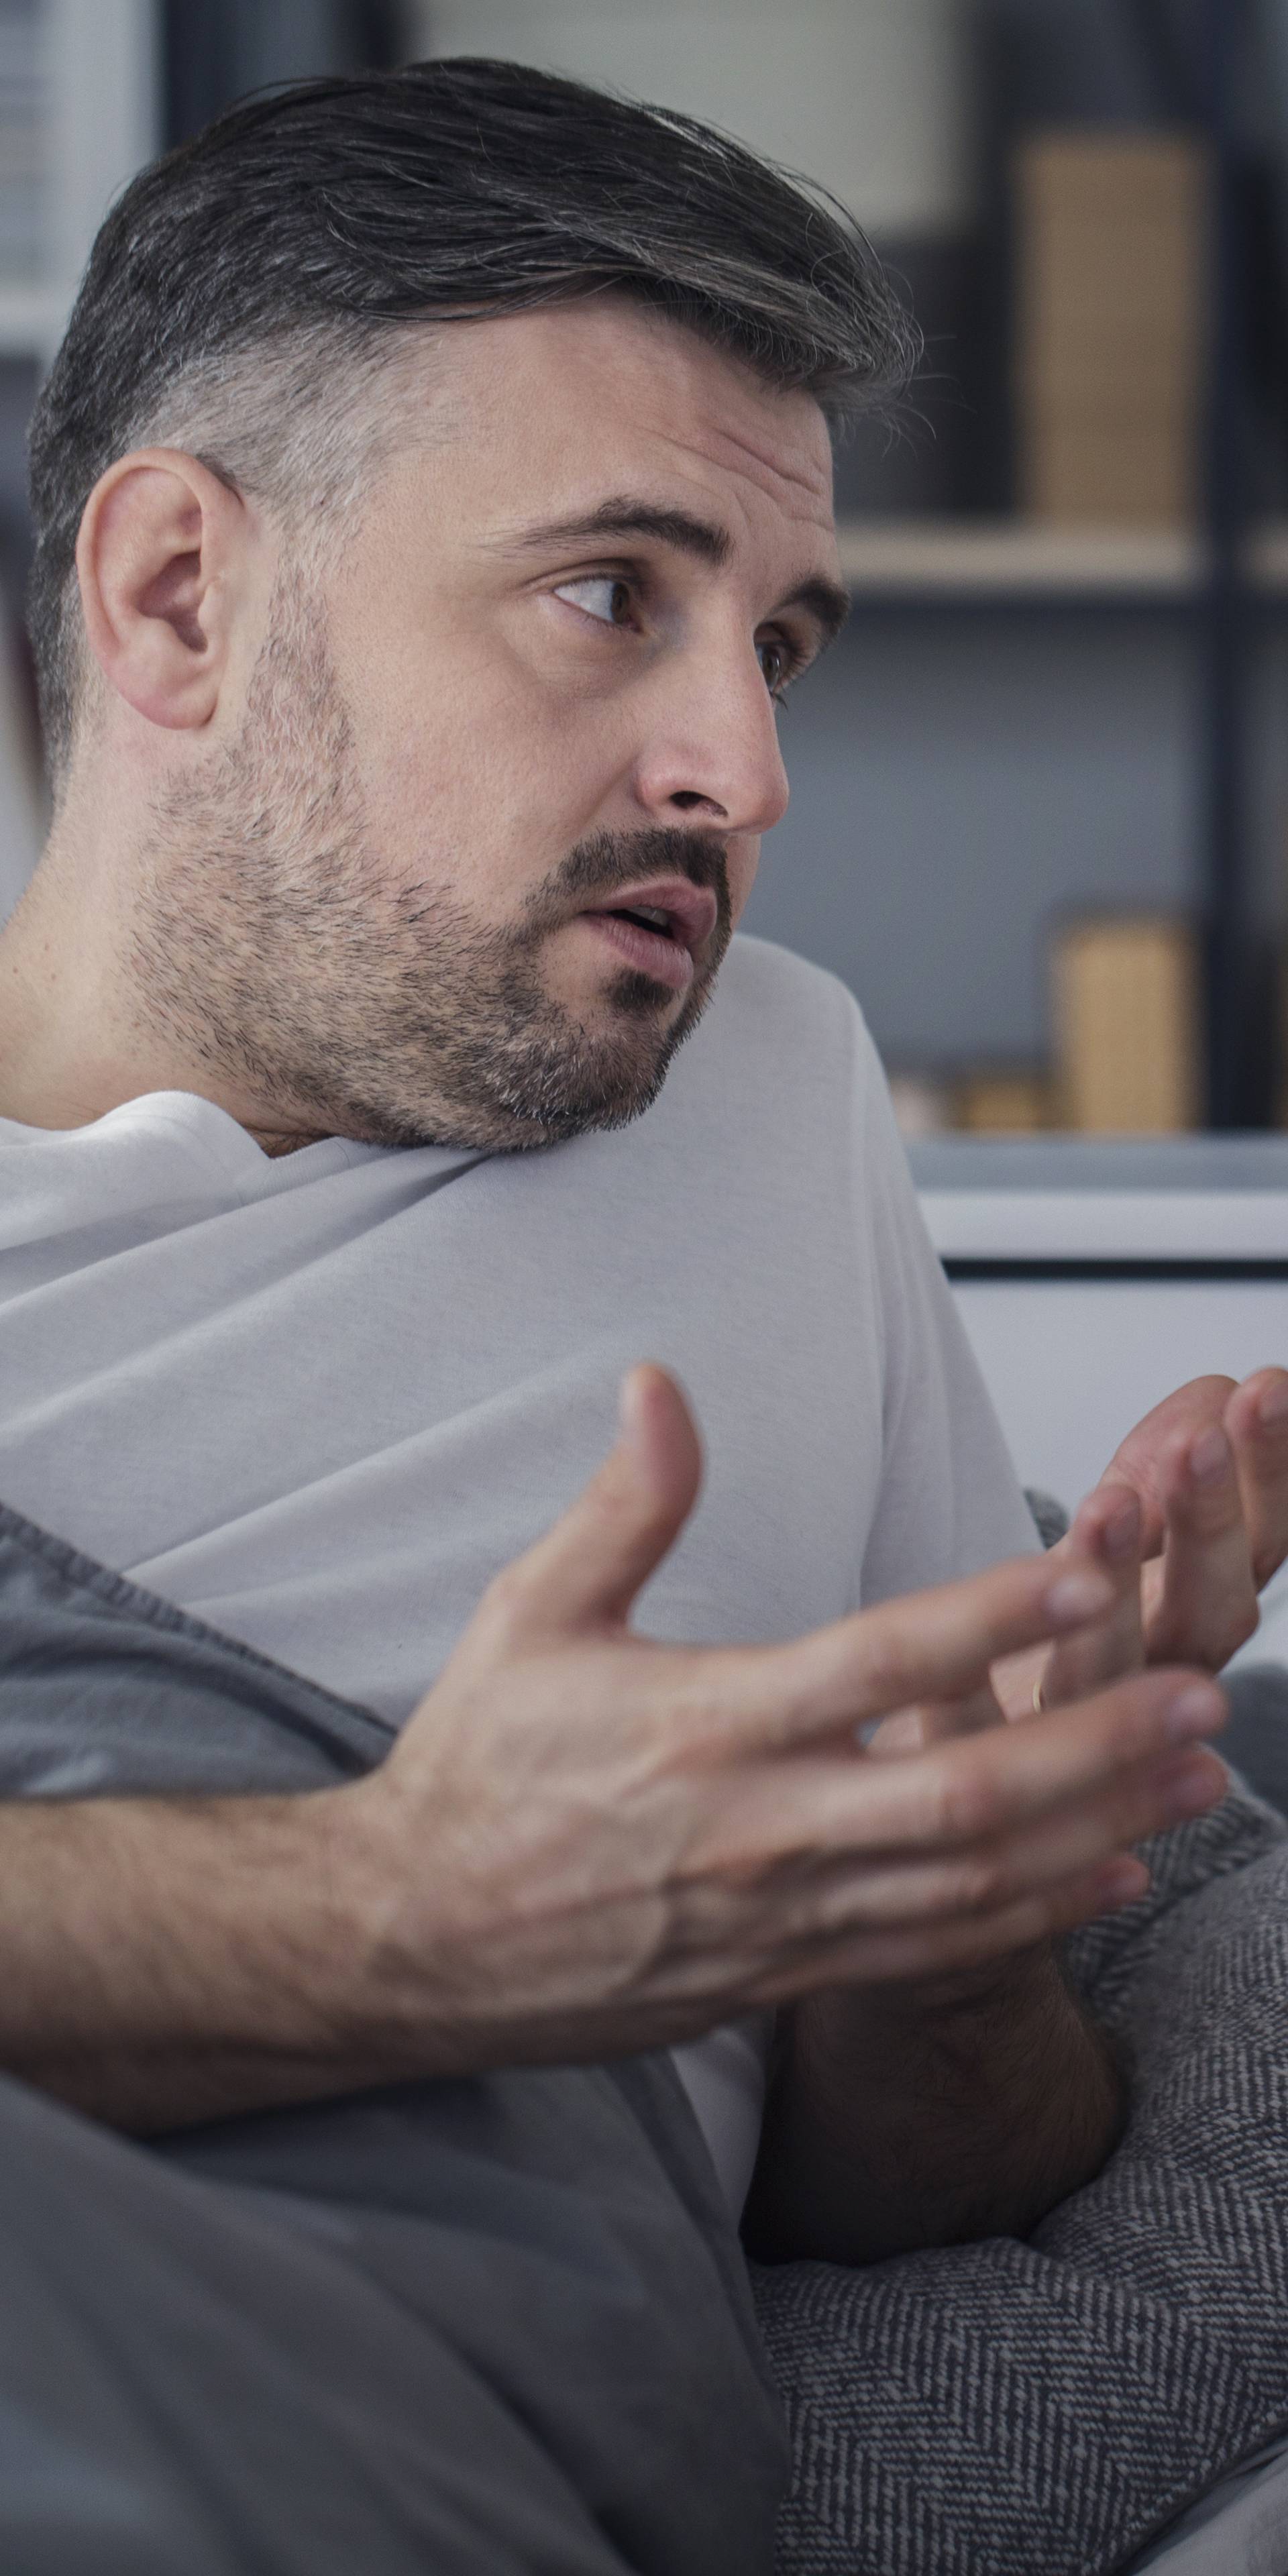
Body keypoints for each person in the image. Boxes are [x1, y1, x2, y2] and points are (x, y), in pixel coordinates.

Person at [0, 56, 1282, 2575]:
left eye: (778, 637)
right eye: (616, 592)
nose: (747, 766)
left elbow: (901, 2188)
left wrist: (969, 1904)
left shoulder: (762, 1104)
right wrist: (405, 1917)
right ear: (177, 598)